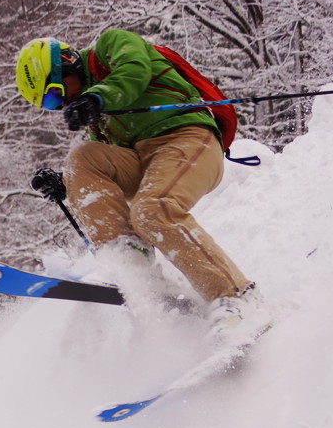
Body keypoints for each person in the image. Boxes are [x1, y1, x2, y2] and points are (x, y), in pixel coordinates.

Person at [15, 29, 263, 338]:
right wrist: (66, 184)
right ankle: (135, 268)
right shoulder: (99, 117)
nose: (62, 104)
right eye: (53, 105)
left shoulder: (109, 48)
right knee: (83, 158)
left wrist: (99, 97)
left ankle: (236, 296)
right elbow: (108, 172)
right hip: (146, 160)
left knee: (151, 210)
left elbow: (135, 68)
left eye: (55, 94)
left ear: (67, 63)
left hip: (189, 139)